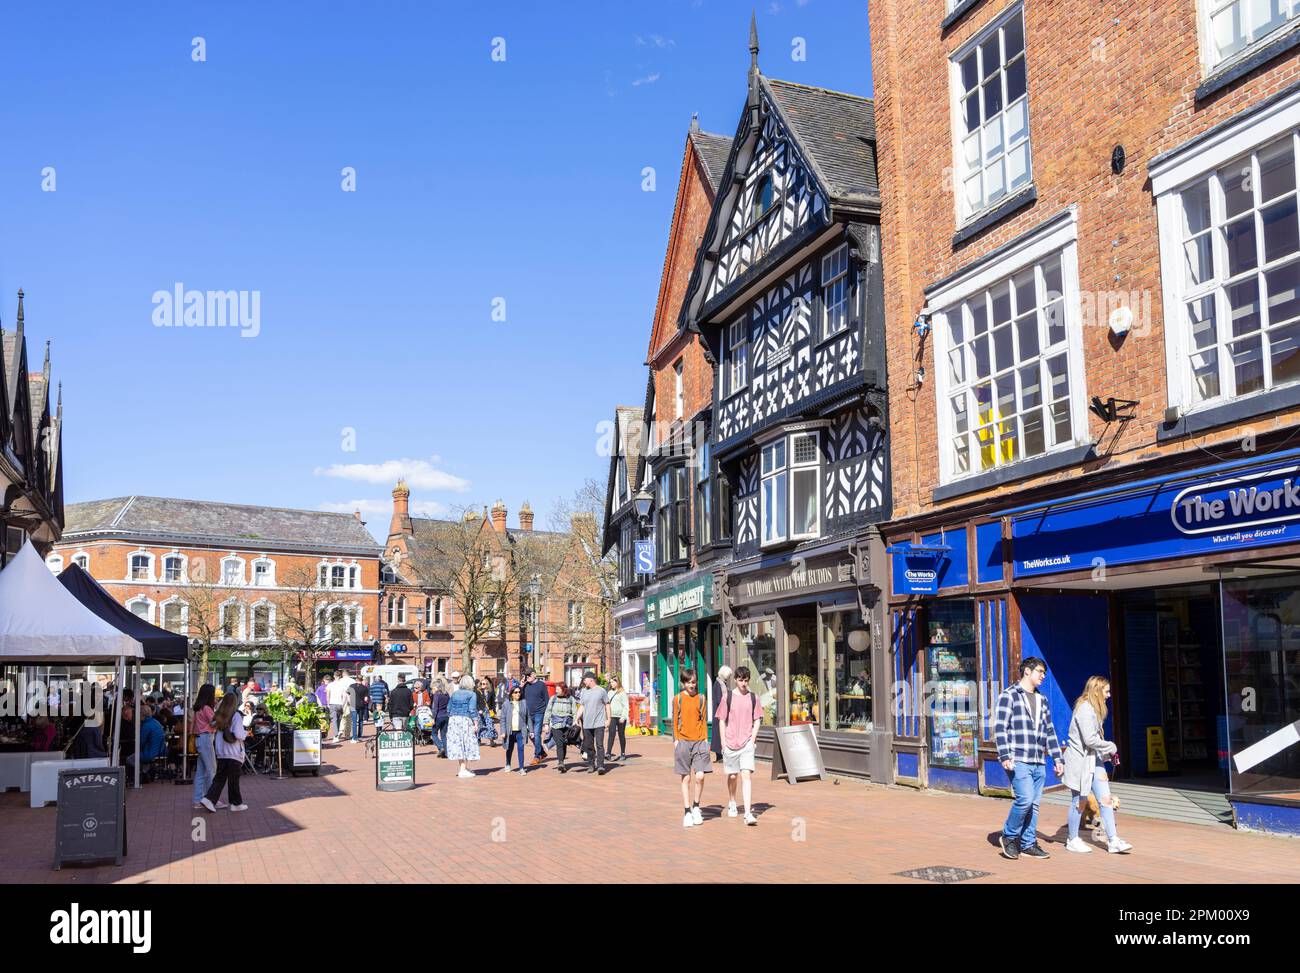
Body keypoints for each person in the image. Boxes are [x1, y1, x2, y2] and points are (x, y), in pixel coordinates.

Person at [994, 656, 1065, 860]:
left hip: (1038, 761)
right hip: (1018, 758)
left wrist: (1058, 759)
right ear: (1027, 671)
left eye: (1044, 673)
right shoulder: (1010, 696)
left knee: (1034, 804)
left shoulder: (1042, 699)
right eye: (1040, 672)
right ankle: (1009, 836)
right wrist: (1005, 755)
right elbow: (1000, 728)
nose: (1043, 676)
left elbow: (1049, 730)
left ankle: (1028, 843)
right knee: (1024, 800)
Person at [1063, 676, 1132, 855]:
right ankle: (1072, 839)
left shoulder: (1095, 709)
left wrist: (1105, 754)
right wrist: (1110, 746)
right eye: (1106, 691)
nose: (1109, 695)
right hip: (1080, 762)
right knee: (1080, 800)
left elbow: (1093, 741)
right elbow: (1089, 739)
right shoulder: (1085, 708)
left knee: (1106, 799)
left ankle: (1113, 840)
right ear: (1096, 691)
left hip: (1095, 760)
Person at [716, 666, 762, 826]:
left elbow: (757, 719)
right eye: (740, 680)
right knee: (733, 776)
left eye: (746, 680)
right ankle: (732, 801)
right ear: (735, 680)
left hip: (746, 743)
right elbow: (721, 720)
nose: (743, 683)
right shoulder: (727, 697)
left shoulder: (753, 698)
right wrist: (723, 742)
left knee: (746, 775)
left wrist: (752, 739)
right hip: (730, 742)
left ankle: (748, 813)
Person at [673, 669, 711, 827]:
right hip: (683, 741)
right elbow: (675, 719)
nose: (691, 685)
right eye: (688, 682)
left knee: (700, 776)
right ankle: (687, 810)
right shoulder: (678, 699)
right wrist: (676, 740)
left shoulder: (702, 698)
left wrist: (706, 739)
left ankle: (696, 806)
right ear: (683, 683)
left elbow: (703, 720)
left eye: (693, 682)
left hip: (700, 741)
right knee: (686, 778)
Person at [201, 693, 248, 813]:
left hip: (221, 752)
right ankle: (235, 803)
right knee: (233, 780)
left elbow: (212, 725)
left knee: (220, 778)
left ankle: (209, 799)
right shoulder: (236, 716)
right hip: (234, 753)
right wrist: (246, 734)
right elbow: (238, 734)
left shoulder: (219, 715)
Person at [574, 671, 610, 775]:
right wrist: (577, 718)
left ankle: (600, 766)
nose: (583, 681)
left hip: (599, 723)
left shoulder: (601, 691)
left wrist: (608, 719)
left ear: (591, 680)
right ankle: (591, 764)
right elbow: (582, 706)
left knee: (599, 745)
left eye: (585, 679)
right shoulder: (584, 691)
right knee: (589, 745)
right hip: (587, 723)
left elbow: (607, 704)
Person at [446, 675, 481, 777]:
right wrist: (476, 723)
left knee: (458, 744)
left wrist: (452, 716)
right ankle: (462, 770)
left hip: (453, 720)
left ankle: (463, 767)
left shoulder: (455, 693)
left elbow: (448, 708)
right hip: (465, 719)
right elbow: (472, 709)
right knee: (466, 743)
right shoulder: (472, 694)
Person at [191, 684, 217, 810]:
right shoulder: (207, 708)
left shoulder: (198, 708)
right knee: (212, 770)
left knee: (201, 772)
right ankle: (211, 799)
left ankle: (198, 800)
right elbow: (214, 722)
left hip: (199, 739)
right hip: (206, 739)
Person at [543, 682, 579, 772]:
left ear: (563, 690)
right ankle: (561, 762)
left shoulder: (571, 699)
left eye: (558, 689)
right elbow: (548, 711)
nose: (556, 691)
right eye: (556, 689)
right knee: (559, 743)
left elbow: (575, 711)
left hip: (567, 724)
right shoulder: (553, 698)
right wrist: (546, 724)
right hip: (556, 724)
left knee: (564, 744)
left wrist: (576, 721)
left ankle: (562, 761)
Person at [126, 705, 167, 778]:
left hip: (150, 753)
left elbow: (141, 742)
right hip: (160, 751)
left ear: (141, 714)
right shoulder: (156, 722)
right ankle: (145, 770)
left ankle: (142, 773)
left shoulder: (145, 726)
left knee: (129, 759)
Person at [500, 685, 530, 776]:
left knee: (521, 749)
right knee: (509, 748)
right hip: (510, 731)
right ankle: (508, 764)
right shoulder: (506, 704)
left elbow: (528, 717)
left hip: (520, 730)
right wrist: (503, 731)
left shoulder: (524, 703)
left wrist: (531, 730)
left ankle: (521, 768)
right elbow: (502, 719)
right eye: (516, 692)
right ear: (512, 694)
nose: (518, 694)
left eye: (519, 692)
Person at [523, 669, 549, 765]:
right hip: (529, 714)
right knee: (531, 734)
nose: (527, 677)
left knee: (536, 734)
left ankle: (537, 756)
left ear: (534, 674)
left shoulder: (541, 685)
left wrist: (547, 718)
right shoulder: (525, 685)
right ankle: (541, 752)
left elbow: (547, 700)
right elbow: (517, 696)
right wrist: (521, 686)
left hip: (539, 713)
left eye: (528, 675)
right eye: (525, 676)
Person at [710, 666, 733, 764]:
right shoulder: (718, 684)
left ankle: (720, 755)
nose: (728, 678)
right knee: (718, 733)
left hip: (721, 712)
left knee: (720, 733)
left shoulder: (721, 683)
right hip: (719, 713)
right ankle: (719, 755)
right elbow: (720, 699)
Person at [605, 676, 630, 761]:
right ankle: (608, 753)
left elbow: (626, 706)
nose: (611, 684)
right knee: (611, 734)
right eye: (610, 682)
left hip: (620, 717)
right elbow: (607, 705)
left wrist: (623, 717)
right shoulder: (609, 692)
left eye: (613, 682)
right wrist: (607, 717)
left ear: (617, 682)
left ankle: (623, 753)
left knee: (621, 735)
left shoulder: (622, 693)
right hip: (612, 716)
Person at [326, 672, 350, 743]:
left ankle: (335, 736)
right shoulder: (343, 685)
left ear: (334, 676)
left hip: (332, 703)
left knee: (334, 720)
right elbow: (345, 696)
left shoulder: (330, 685)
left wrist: (328, 703)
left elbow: (328, 695)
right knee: (339, 719)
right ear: (340, 676)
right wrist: (343, 703)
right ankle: (337, 734)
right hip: (340, 704)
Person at [476, 676, 499, 746]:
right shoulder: (478, 692)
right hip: (481, 711)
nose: (483, 685)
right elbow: (476, 702)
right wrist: (479, 709)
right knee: (480, 726)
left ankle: (491, 740)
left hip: (489, 711)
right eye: (482, 684)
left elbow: (493, 703)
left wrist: (494, 712)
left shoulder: (491, 692)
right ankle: (478, 739)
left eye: (485, 684)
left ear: (487, 684)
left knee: (490, 725)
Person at [431, 678, 451, 756]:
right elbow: (449, 705)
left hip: (438, 716)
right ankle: (446, 752)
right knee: (443, 735)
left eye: (433, 688)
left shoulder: (437, 695)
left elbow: (435, 707)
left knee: (434, 733)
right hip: (446, 716)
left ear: (436, 687)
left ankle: (440, 747)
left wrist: (433, 718)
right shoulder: (447, 694)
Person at [350, 676, 369, 742]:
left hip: (353, 705)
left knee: (354, 721)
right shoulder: (365, 688)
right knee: (360, 720)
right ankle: (360, 736)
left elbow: (347, 694)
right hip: (361, 705)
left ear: (356, 679)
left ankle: (354, 738)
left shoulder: (351, 686)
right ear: (362, 680)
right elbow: (366, 699)